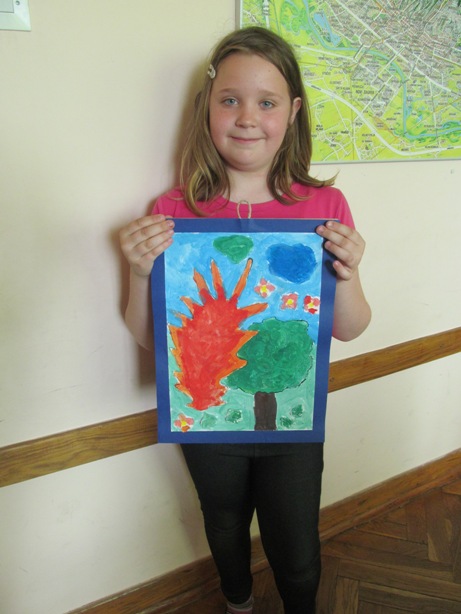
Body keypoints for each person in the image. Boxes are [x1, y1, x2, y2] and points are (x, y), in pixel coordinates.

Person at [120, 26, 371, 614]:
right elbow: (155, 339)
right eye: (230, 99)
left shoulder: (324, 207)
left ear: (294, 111)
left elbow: (350, 327)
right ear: (207, 107)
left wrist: (351, 272)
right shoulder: (173, 211)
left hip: (293, 425)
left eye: (267, 102)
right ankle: (237, 603)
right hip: (208, 423)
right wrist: (137, 273)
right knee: (224, 523)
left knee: (298, 549)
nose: (247, 118)